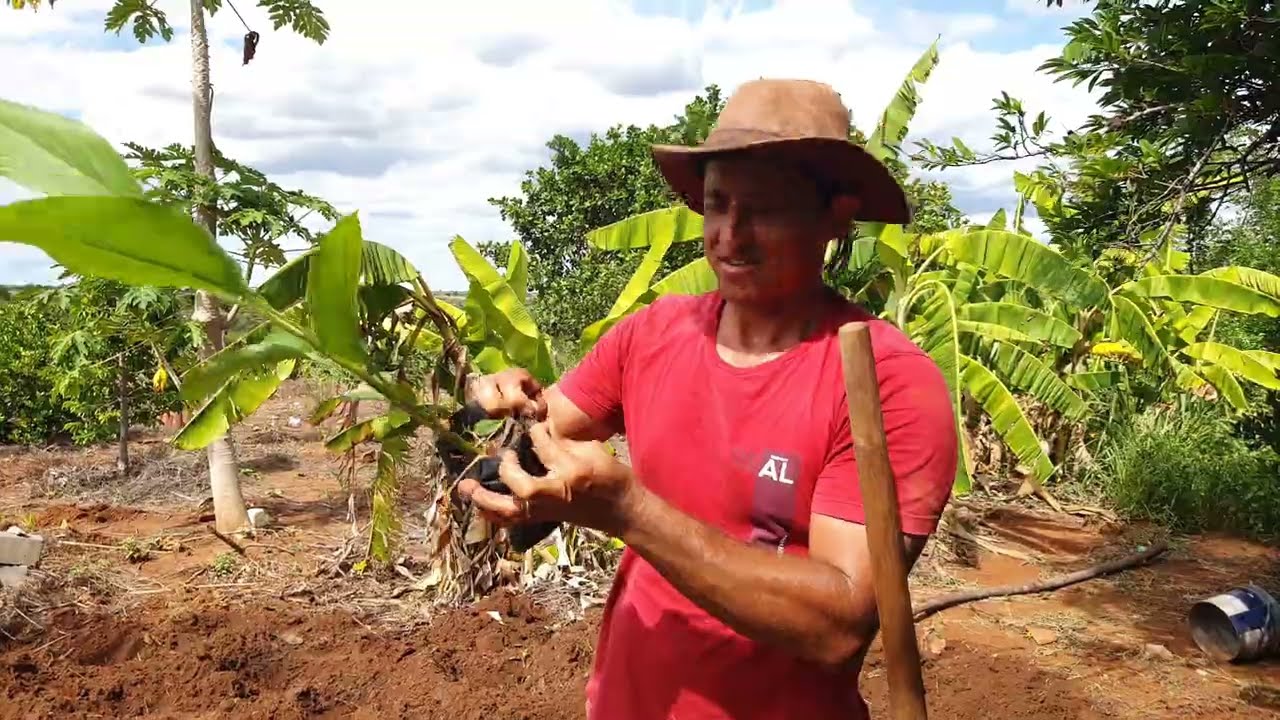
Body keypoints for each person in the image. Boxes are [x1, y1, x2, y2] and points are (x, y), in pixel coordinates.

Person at [458, 78, 959, 720]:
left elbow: (837, 626)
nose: (730, 233)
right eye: (718, 204)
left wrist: (629, 511)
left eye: (766, 208)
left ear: (835, 217)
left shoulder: (885, 382)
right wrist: (491, 398)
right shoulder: (654, 333)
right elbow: (542, 429)